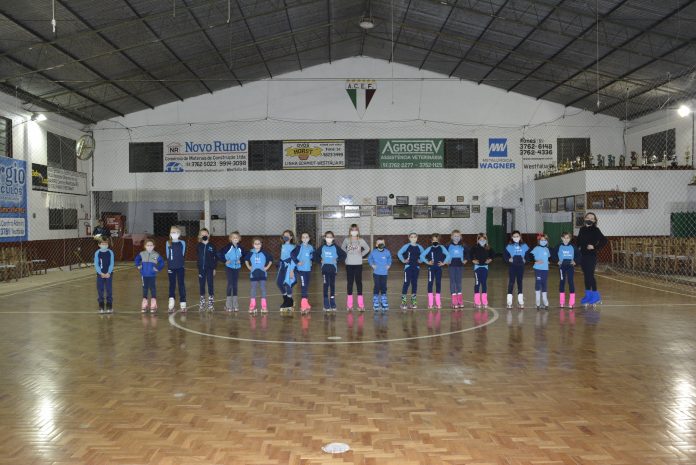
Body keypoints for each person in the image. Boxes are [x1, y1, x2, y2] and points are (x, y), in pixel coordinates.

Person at [576, 212, 607, 306]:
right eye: (588, 217)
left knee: (590, 275)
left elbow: (604, 240)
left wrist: (595, 247)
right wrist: (577, 248)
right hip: (583, 255)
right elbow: (578, 241)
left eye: (592, 218)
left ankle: (596, 296)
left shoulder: (596, 230)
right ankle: (588, 295)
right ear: (585, 218)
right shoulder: (582, 229)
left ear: (594, 221)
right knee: (586, 276)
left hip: (591, 256)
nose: (589, 219)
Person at [315, 231, 347, 312]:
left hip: (333, 269)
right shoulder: (322, 247)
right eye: (327, 237)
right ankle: (326, 304)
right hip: (325, 269)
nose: (329, 238)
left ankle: (332, 303)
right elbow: (315, 255)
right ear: (324, 238)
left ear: (333, 238)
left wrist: (337, 259)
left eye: (330, 237)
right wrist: (320, 260)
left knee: (332, 285)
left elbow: (344, 255)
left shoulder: (335, 247)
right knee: (326, 285)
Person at [341, 224, 370, 311]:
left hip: (358, 264)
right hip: (349, 264)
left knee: (358, 282)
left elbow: (367, 248)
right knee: (350, 283)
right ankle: (349, 305)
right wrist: (347, 254)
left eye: (355, 229)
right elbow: (342, 248)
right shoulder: (347, 240)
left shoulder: (360, 240)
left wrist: (361, 254)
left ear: (358, 231)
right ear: (350, 231)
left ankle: (361, 305)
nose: (354, 231)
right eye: (352, 229)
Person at [420, 233, 451, 310]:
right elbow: (421, 256)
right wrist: (427, 262)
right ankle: (430, 303)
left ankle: (438, 302)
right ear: (431, 241)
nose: (435, 241)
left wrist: (444, 262)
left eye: (436, 240)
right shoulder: (429, 248)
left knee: (438, 283)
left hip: (439, 269)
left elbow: (448, 255)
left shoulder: (442, 248)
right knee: (430, 283)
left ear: (439, 241)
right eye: (433, 240)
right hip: (431, 269)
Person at [244, 238, 274, 314]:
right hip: (253, 274)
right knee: (253, 289)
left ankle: (264, 306)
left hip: (262, 273)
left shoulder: (264, 253)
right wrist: (249, 267)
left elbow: (271, 260)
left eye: (259, 243)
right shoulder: (251, 252)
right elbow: (246, 260)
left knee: (263, 288)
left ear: (261, 244)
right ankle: (252, 306)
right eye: (255, 243)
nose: (257, 245)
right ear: (253, 245)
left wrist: (267, 267)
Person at [135, 238, 165, 313]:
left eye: (151, 245)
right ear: (145, 246)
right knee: (145, 288)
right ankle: (144, 302)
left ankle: (153, 303)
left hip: (152, 275)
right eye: (148, 245)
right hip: (144, 275)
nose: (149, 247)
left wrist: (158, 268)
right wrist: (138, 265)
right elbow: (137, 259)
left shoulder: (156, 254)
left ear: (154, 246)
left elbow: (162, 262)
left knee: (152, 288)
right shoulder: (142, 254)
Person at [218, 231, 244, 312]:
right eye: (233, 237)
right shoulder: (227, 247)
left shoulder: (240, 248)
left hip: (237, 268)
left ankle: (235, 305)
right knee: (230, 284)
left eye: (237, 237)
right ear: (230, 239)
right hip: (229, 268)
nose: (235, 238)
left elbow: (245, 255)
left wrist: (241, 260)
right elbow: (219, 253)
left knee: (235, 285)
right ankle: (228, 305)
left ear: (239, 239)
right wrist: (225, 261)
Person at [397, 233, 424, 310]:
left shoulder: (419, 247)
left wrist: (421, 260)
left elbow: (424, 254)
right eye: (411, 237)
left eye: (415, 237)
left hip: (416, 267)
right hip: (408, 267)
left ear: (417, 238)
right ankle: (403, 302)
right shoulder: (406, 246)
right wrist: (403, 260)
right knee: (406, 283)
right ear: (409, 238)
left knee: (414, 284)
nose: (413, 238)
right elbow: (399, 253)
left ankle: (413, 302)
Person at [503, 230, 529, 309]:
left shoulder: (524, 245)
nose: (516, 238)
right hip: (512, 266)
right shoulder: (509, 246)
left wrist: (525, 259)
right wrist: (508, 259)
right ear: (512, 237)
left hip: (521, 266)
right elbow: (505, 255)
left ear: (520, 237)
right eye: (514, 236)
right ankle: (509, 301)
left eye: (517, 236)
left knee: (519, 282)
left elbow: (528, 255)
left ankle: (520, 301)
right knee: (511, 282)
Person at [290, 232, 315, 313]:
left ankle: (306, 303)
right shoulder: (299, 247)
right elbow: (292, 254)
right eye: (303, 237)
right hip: (301, 270)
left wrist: (311, 260)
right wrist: (297, 263)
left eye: (306, 237)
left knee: (306, 286)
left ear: (309, 238)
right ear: (301, 239)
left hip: (308, 270)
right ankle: (303, 305)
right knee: (304, 286)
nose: (305, 238)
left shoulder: (311, 247)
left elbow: (311, 256)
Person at [469, 233, 494, 308]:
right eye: (480, 240)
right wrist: (473, 260)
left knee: (484, 283)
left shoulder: (488, 248)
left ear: (486, 240)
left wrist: (490, 259)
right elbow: (470, 254)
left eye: (484, 240)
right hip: (477, 268)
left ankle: (484, 300)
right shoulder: (475, 247)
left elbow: (493, 254)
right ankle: (477, 301)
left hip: (485, 267)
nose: (482, 241)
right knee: (477, 283)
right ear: (478, 240)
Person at [166, 225, 187, 313]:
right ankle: (171, 304)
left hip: (180, 267)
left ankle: (183, 304)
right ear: (170, 234)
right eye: (173, 232)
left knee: (181, 284)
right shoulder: (168, 243)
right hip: (171, 267)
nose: (175, 234)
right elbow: (168, 255)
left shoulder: (182, 243)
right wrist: (171, 264)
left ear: (179, 233)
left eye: (176, 232)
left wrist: (179, 262)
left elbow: (182, 254)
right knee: (172, 285)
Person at [367, 238, 392, 312]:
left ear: (384, 244)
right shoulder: (374, 252)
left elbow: (389, 259)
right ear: (376, 245)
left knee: (384, 286)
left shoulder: (387, 252)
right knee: (377, 286)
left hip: (384, 273)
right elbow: (369, 259)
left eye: (382, 243)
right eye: (379, 243)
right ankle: (375, 300)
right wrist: (372, 265)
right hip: (376, 273)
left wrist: (388, 265)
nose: (381, 244)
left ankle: (384, 300)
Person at [554, 232, 577, 309]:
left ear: (570, 239)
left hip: (570, 267)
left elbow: (578, 254)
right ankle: (562, 302)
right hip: (562, 267)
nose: (566, 239)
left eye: (568, 238)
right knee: (562, 282)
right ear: (561, 238)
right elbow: (553, 254)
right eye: (564, 238)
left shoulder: (573, 246)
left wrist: (575, 261)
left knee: (571, 282)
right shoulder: (558, 246)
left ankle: (572, 302)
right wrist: (557, 260)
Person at [196, 228, 218, 311]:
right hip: (201, 269)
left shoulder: (212, 246)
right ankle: (202, 302)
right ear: (200, 236)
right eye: (202, 234)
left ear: (208, 235)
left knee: (210, 284)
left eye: (205, 234)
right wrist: (199, 267)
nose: (204, 235)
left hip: (210, 269)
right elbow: (198, 257)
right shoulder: (198, 246)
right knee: (201, 284)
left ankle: (211, 303)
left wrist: (214, 268)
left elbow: (215, 258)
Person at [446, 230, 468, 309]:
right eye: (455, 236)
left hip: (460, 266)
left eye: (458, 236)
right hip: (451, 266)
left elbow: (468, 253)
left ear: (460, 237)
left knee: (458, 282)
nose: (456, 237)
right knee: (453, 282)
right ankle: (454, 300)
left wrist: (465, 260)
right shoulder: (448, 245)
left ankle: (460, 300)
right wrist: (446, 261)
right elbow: (444, 253)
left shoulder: (463, 245)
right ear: (451, 237)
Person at [529, 233, 551, 310]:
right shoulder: (536, 248)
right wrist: (536, 261)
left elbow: (548, 257)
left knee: (544, 283)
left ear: (547, 241)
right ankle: (537, 301)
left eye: (545, 240)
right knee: (538, 282)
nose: (543, 241)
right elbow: (530, 256)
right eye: (542, 240)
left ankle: (545, 301)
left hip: (545, 269)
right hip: (538, 269)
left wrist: (547, 261)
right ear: (539, 241)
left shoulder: (547, 249)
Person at [277, 230, 297, 312]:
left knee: (288, 284)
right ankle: (286, 299)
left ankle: (289, 301)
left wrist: (292, 270)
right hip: (282, 266)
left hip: (289, 267)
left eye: (287, 235)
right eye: (284, 235)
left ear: (291, 237)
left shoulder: (293, 247)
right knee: (279, 282)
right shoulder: (282, 246)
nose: (285, 236)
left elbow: (294, 259)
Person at [94, 237, 115, 314]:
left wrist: (109, 272)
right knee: (100, 289)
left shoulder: (110, 252)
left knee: (109, 289)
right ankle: (101, 304)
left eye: (106, 244)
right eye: (102, 244)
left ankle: (109, 304)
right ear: (99, 244)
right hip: (100, 274)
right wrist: (100, 273)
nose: (104, 245)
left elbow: (112, 263)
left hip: (109, 274)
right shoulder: (97, 253)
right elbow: (96, 264)